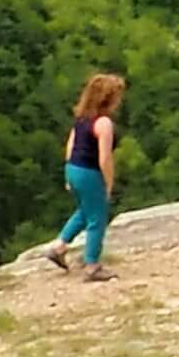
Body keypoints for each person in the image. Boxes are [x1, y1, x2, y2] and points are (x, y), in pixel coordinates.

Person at [53, 71, 123, 280]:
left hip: (73, 168)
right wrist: (108, 184)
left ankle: (58, 247)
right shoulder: (104, 123)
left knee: (85, 210)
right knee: (97, 218)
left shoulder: (82, 119)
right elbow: (104, 158)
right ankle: (92, 265)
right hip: (89, 172)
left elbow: (71, 145)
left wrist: (68, 175)